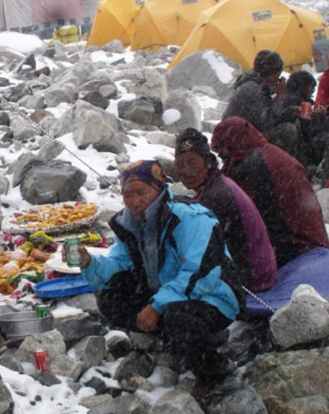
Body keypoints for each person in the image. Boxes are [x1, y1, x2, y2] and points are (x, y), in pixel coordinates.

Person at [67, 160, 240, 390]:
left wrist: (156, 307)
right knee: (110, 298)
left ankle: (215, 368)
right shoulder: (131, 222)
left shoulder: (191, 217)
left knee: (179, 317)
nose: (135, 202)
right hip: (166, 295)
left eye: (142, 192)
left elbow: (198, 273)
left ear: (158, 189)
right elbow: (120, 264)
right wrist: (90, 263)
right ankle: (172, 339)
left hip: (212, 297)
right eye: (128, 194)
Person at [211, 116, 329, 267]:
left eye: (223, 154)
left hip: (296, 248)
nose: (223, 160)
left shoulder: (250, 167)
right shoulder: (270, 153)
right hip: (314, 241)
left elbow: (243, 218)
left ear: (231, 148)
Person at [174, 128, 278, 292]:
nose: (186, 171)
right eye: (180, 164)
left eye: (192, 163)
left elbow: (201, 251)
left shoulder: (217, 196)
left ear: (208, 161)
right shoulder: (215, 185)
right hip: (257, 272)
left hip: (252, 281)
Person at [222, 49, 294, 154]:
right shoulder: (252, 89)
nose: (279, 79)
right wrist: (280, 98)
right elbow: (267, 122)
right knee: (288, 130)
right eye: (278, 75)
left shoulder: (257, 84)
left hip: (240, 136)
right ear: (271, 74)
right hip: (236, 143)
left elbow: (266, 111)